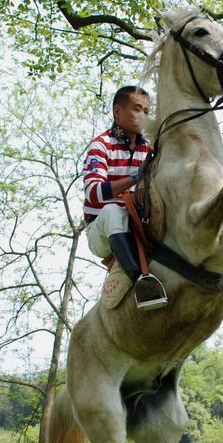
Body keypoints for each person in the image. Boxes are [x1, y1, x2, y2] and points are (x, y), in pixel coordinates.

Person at [83, 86, 158, 303]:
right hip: (101, 229)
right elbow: (93, 193)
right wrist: (134, 178)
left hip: (139, 222)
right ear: (118, 111)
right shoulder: (100, 145)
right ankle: (140, 281)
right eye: (137, 109)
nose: (143, 115)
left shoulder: (150, 148)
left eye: (146, 110)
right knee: (112, 209)